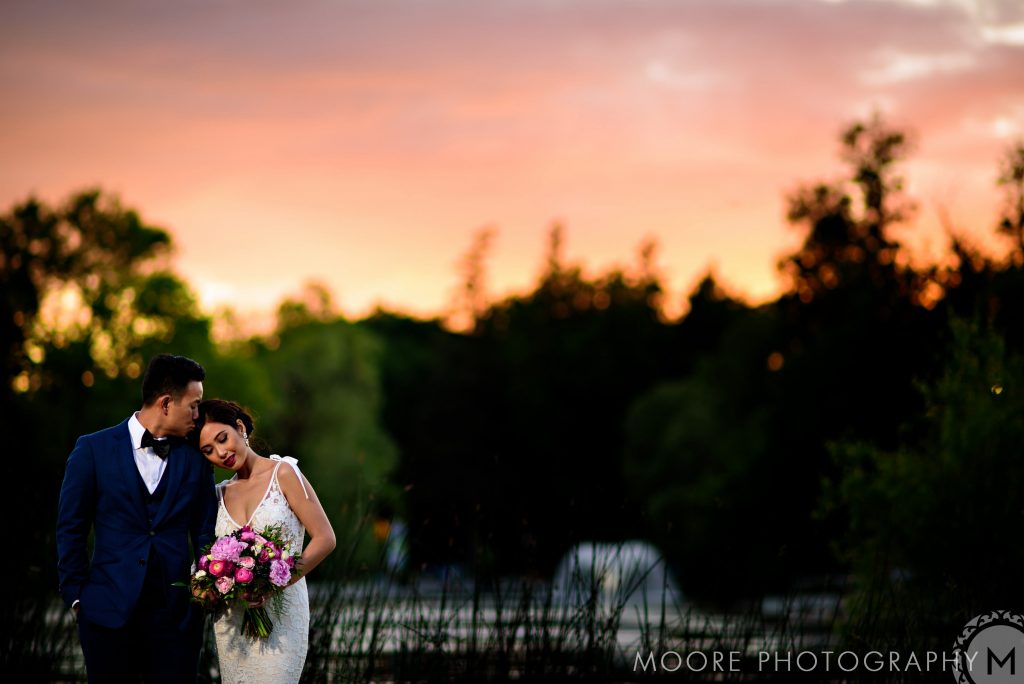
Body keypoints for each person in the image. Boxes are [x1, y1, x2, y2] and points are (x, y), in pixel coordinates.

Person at [56, 353, 218, 683]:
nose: (198, 416)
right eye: (194, 405)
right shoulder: (92, 450)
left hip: (176, 620)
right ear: (166, 403)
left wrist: (204, 589)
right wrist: (77, 597)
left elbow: (205, 531)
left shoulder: (196, 460)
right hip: (105, 614)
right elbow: (71, 528)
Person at [192, 399, 336, 683]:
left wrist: (274, 583)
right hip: (232, 623)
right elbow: (203, 558)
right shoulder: (217, 494)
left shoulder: (283, 473)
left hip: (282, 617)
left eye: (223, 439)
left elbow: (325, 538)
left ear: (240, 427)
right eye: (208, 451)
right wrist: (204, 587)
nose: (221, 453)